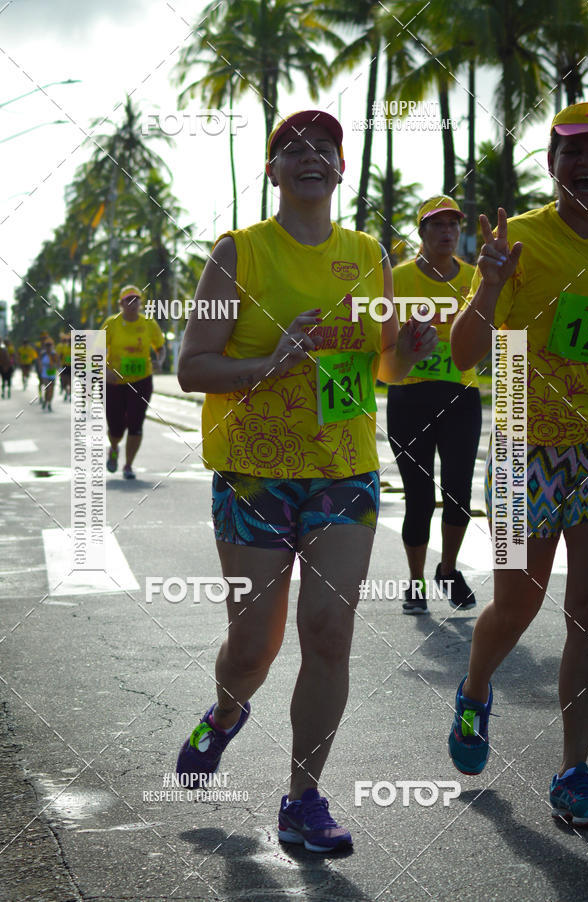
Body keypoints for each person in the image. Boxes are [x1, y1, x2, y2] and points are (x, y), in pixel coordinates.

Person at [175, 109, 438, 852]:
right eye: (293, 148)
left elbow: (383, 365)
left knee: (329, 634)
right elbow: (191, 367)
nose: (310, 156)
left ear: (342, 168)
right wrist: (272, 363)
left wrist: (409, 352)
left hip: (343, 472)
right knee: (252, 649)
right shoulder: (240, 253)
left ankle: (302, 800)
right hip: (254, 476)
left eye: (325, 147)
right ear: (273, 171)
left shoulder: (368, 254)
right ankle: (226, 714)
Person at [448, 102, 588, 827]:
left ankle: (574, 771)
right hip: (520, 447)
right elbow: (465, 354)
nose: (587, 164)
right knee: (518, 604)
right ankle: (475, 690)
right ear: (552, 164)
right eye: (572, 152)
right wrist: (487, 286)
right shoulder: (522, 241)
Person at [386, 196, 481, 614]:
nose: (447, 232)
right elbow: (381, 335)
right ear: (421, 232)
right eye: (437, 225)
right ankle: (416, 581)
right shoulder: (397, 279)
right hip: (410, 397)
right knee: (419, 496)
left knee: (459, 492)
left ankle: (448, 569)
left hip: (461, 396)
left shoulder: (476, 278)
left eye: (453, 224)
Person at [102, 285, 165, 479]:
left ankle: (128, 465)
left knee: (136, 424)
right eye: (128, 300)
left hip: (141, 380)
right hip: (114, 383)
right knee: (116, 427)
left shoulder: (149, 323)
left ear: (140, 303)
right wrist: (105, 371)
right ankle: (114, 447)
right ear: (121, 304)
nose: (132, 303)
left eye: (136, 299)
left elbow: (161, 348)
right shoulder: (111, 323)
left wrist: (160, 361)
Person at [38, 337, 59, 411]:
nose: (48, 347)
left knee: (51, 389)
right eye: (47, 345)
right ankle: (46, 400)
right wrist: (40, 367)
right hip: (45, 374)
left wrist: (55, 366)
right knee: (48, 388)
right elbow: (39, 361)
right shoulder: (42, 354)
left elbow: (58, 362)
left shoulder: (54, 354)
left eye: (50, 345)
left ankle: (49, 402)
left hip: (52, 373)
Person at [55, 332, 72, 401]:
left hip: (71, 367)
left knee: (70, 382)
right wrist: (58, 365)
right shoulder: (63, 347)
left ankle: (69, 394)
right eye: (69, 341)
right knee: (63, 381)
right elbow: (59, 356)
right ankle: (65, 391)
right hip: (64, 366)